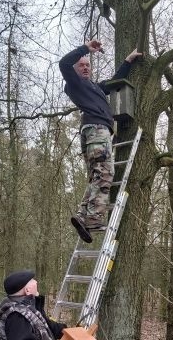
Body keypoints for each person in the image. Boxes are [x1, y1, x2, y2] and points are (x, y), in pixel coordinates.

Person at [59, 40, 142, 243]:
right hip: (96, 129)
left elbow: (115, 81)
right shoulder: (74, 84)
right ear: (75, 70)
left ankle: (82, 216)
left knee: (97, 176)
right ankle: (94, 219)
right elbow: (63, 63)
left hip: (93, 131)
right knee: (106, 173)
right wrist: (85, 48)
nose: (85, 67)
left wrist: (128, 61)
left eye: (88, 65)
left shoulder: (94, 87)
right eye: (81, 65)